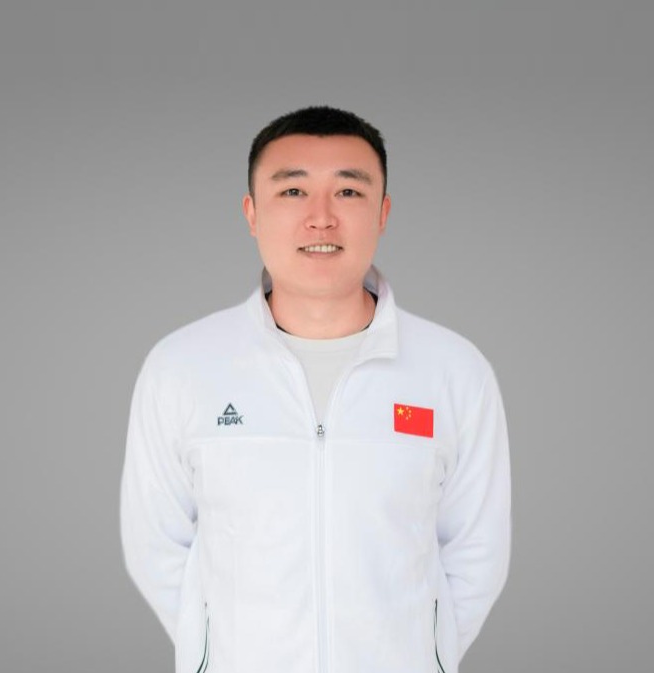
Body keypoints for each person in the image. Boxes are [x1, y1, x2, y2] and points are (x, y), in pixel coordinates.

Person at [121, 105, 511, 673]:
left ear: (383, 212)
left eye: (348, 192)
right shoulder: (181, 367)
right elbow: (154, 544)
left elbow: (477, 551)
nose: (321, 218)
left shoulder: (453, 371)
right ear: (252, 213)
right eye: (293, 191)